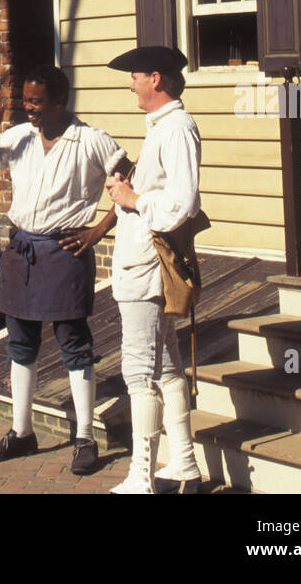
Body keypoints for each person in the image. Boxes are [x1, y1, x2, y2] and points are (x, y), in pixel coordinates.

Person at [0, 63, 132, 475]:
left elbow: (133, 178)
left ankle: (85, 437)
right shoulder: (20, 136)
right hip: (22, 248)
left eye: (37, 101)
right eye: (25, 100)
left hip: (64, 252)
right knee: (20, 344)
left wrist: (97, 231)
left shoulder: (91, 141)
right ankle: (22, 432)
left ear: (60, 101)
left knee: (73, 344)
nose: (29, 108)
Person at [105, 45, 203, 496]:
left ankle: (141, 478)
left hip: (148, 264)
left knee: (139, 369)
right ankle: (183, 465)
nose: (131, 83)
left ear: (156, 79)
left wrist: (133, 200)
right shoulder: (164, 128)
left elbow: (183, 203)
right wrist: (130, 188)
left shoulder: (177, 129)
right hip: (142, 259)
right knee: (165, 365)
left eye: (136, 75)